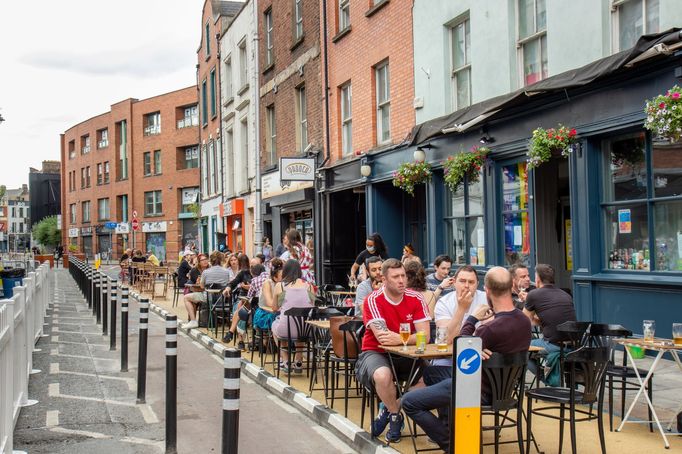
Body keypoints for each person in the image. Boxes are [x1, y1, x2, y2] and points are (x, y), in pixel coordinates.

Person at [401, 267, 532, 452]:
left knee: (409, 402)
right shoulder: (524, 321)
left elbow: (460, 350)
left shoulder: (489, 329)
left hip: (475, 389)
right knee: (431, 373)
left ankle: (452, 445)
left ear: (485, 289)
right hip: (506, 390)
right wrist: (478, 347)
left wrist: (471, 319)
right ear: (512, 286)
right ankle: (449, 426)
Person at [355, 259, 431, 443]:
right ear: (384, 279)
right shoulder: (373, 299)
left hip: (408, 353)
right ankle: (396, 416)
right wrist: (408, 337)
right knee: (383, 376)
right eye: (395, 276)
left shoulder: (416, 297)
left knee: (427, 380)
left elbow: (426, 336)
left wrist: (400, 338)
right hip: (376, 352)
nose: (401, 280)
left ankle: (390, 411)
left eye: (403, 275)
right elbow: (383, 339)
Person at [523, 263, 576, 376]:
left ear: (538, 279)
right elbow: (553, 320)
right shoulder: (565, 294)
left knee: (519, 348)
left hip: (553, 346)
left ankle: (545, 378)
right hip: (574, 348)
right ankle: (553, 374)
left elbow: (524, 322)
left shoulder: (533, 294)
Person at [271, 259, 316, 374]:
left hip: (286, 329)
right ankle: (298, 360)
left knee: (275, 325)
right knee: (300, 323)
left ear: (285, 271)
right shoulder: (309, 286)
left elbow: (274, 308)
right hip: (307, 330)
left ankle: (286, 360)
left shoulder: (280, 286)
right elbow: (312, 306)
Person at [223, 263, 267, 348]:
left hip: (256, 309)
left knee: (241, 308)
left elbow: (249, 297)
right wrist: (228, 288)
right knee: (241, 306)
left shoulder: (255, 280)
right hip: (253, 305)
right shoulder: (271, 278)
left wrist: (248, 287)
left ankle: (233, 334)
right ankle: (238, 338)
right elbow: (233, 283)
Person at [253, 258, 284, 332]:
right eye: (282, 277)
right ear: (275, 278)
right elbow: (269, 303)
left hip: (277, 311)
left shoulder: (284, 284)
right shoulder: (268, 283)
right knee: (279, 318)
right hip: (264, 313)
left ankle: (286, 340)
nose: (285, 279)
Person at [181, 253, 210, 328]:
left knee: (190, 299)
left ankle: (193, 321)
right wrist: (199, 283)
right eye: (202, 260)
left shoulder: (211, 269)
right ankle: (192, 320)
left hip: (206, 292)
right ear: (199, 262)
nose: (205, 261)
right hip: (197, 290)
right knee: (192, 300)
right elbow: (195, 284)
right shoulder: (194, 270)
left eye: (206, 259)